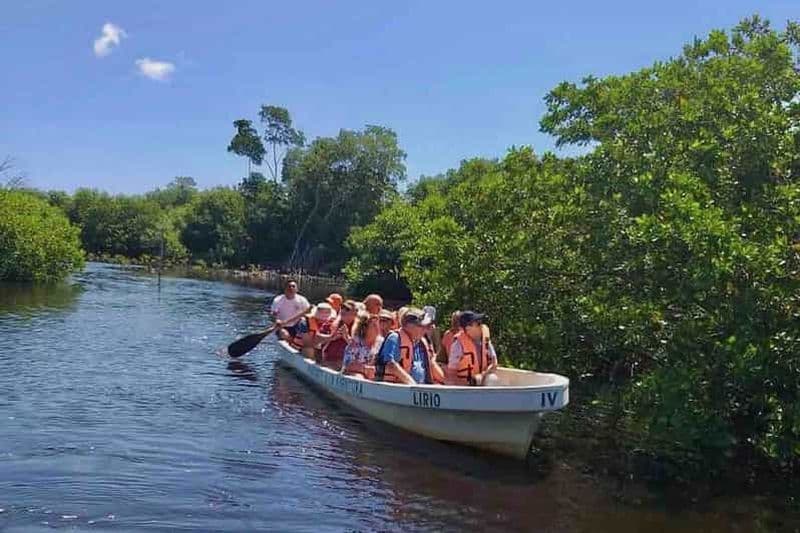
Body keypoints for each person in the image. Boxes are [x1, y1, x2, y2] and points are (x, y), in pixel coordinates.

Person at [375, 307, 444, 385]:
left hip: (417, 390)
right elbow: (391, 364)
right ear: (409, 326)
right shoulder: (394, 338)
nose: (425, 329)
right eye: (422, 326)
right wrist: (412, 384)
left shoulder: (422, 342)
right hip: (396, 388)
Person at [447, 310, 497, 386]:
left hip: (482, 382)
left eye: (480, 322)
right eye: (477, 323)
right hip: (464, 388)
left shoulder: (485, 339)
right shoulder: (458, 345)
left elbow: (494, 363)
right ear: (467, 328)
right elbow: (451, 375)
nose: (480, 325)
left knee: (492, 379)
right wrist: (471, 383)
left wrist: (483, 375)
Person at [341, 312, 383, 379]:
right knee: (359, 377)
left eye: (378, 324)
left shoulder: (381, 342)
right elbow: (348, 365)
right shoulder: (355, 342)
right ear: (365, 328)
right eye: (374, 325)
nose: (378, 327)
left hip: (373, 374)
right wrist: (365, 369)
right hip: (352, 373)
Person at [319, 300, 358, 365]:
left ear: (355, 314)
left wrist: (347, 337)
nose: (347, 316)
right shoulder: (330, 324)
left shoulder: (360, 329)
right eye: (343, 314)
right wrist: (331, 337)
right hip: (329, 360)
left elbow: (359, 350)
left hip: (348, 363)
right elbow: (316, 341)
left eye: (350, 313)